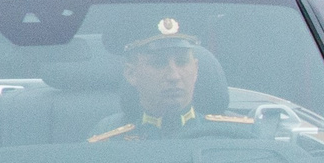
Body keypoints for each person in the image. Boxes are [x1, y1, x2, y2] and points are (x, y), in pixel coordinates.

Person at [87, 17, 270, 140]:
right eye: (158, 64)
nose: (174, 76)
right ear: (131, 74)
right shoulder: (108, 140)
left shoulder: (240, 136)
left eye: (182, 62)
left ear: (196, 69)